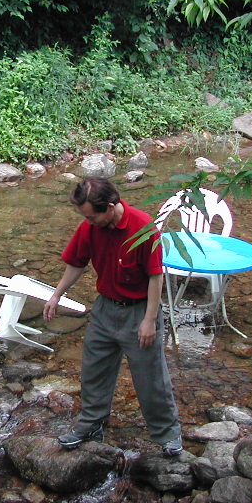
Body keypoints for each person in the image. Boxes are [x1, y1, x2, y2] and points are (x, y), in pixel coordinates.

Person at [42, 177, 183, 455]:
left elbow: (155, 277)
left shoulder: (143, 227)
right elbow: (76, 263)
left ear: (109, 207)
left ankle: (167, 434)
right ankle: (91, 424)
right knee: (94, 371)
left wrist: (149, 321)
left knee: (150, 377)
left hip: (140, 310)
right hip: (105, 309)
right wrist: (56, 295)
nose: (88, 221)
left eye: (92, 216)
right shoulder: (90, 227)